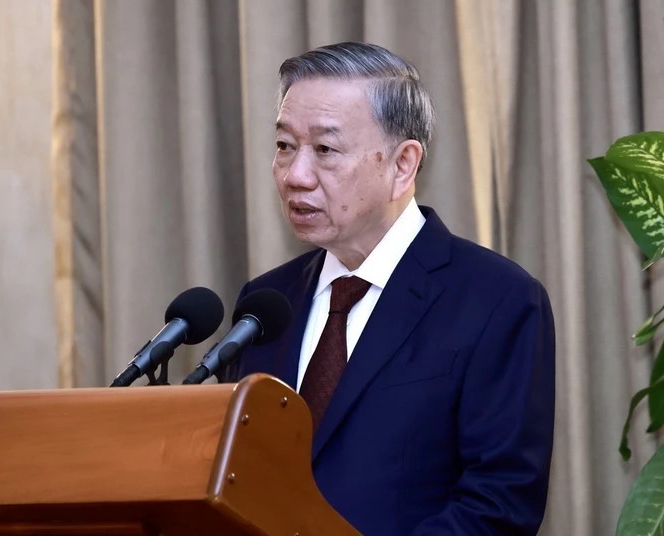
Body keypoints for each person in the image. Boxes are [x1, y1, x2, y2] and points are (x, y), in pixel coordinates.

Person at [224, 42, 555, 535]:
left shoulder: (497, 300)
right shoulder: (267, 304)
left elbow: (499, 503)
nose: (295, 175)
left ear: (403, 165)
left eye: (325, 150)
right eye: (285, 146)